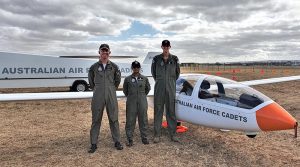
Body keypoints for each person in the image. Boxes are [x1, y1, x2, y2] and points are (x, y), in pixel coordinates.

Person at [88, 43, 123, 153]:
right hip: (98, 94)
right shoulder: (93, 67)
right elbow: (91, 82)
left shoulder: (114, 67)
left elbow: (117, 81)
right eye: (102, 51)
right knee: (96, 119)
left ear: (109, 53)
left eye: (106, 51)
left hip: (111, 94)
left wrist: (110, 89)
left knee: (114, 118)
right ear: (99, 52)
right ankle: (93, 143)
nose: (104, 53)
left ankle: (117, 141)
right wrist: (99, 89)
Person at [151, 40, 180, 143]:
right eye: (164, 46)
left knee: (171, 111)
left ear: (170, 47)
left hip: (171, 88)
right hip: (159, 87)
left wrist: (170, 82)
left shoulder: (175, 59)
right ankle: (157, 134)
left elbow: (177, 74)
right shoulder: (156, 59)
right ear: (162, 47)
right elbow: (153, 73)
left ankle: (173, 134)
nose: (166, 48)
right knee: (158, 110)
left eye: (167, 46)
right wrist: (161, 81)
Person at [123, 61, 151, 146]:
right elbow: (125, 91)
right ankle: (129, 139)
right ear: (132, 68)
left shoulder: (144, 79)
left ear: (139, 68)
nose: (136, 69)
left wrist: (141, 96)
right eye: (134, 67)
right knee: (130, 121)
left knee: (143, 120)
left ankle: (144, 137)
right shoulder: (127, 79)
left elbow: (147, 89)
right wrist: (132, 96)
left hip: (142, 101)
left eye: (137, 67)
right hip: (131, 102)